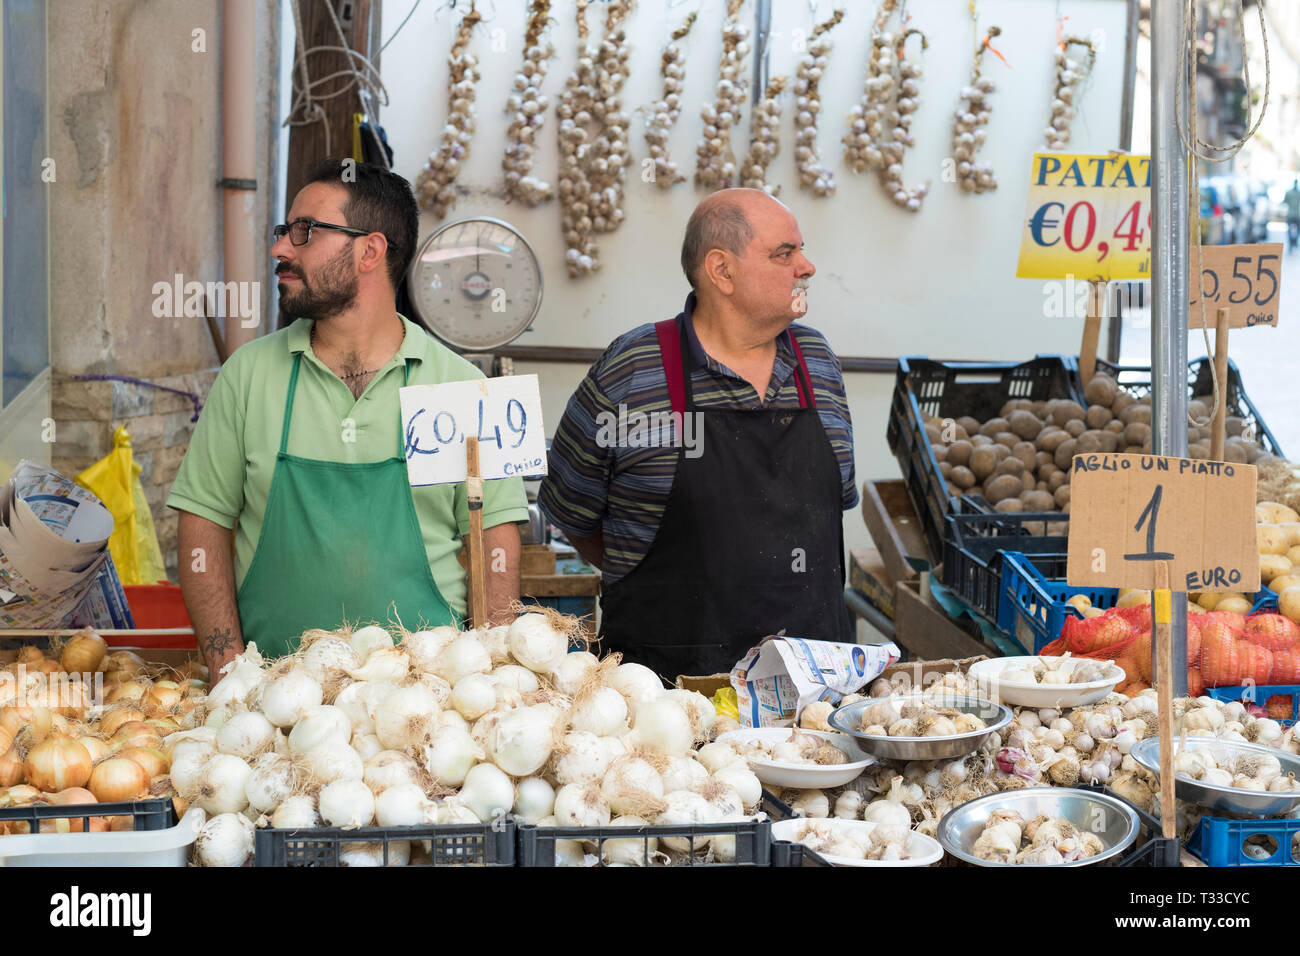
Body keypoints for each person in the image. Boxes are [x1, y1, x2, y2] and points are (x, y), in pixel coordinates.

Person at [169, 159, 528, 679]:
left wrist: (489, 681)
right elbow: (202, 521)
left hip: (423, 710)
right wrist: (227, 669)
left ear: (370, 251)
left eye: (304, 233)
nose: (280, 249)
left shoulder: (464, 387)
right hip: (273, 704)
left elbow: (496, 542)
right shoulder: (247, 375)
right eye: (283, 231)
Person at [539, 188, 858, 678]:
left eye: (802, 250)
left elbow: (834, 503)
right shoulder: (633, 369)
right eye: (785, 253)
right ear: (722, 270)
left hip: (810, 700)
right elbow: (573, 515)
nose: (807, 266)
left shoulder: (819, 364)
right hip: (665, 705)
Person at [1285, 179, 1300, 252]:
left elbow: (1285, 202)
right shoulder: (1299, 193)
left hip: (1290, 214)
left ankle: (1291, 243)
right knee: (1298, 230)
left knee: (1289, 230)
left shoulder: (1288, 193)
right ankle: (1295, 242)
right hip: (1297, 214)